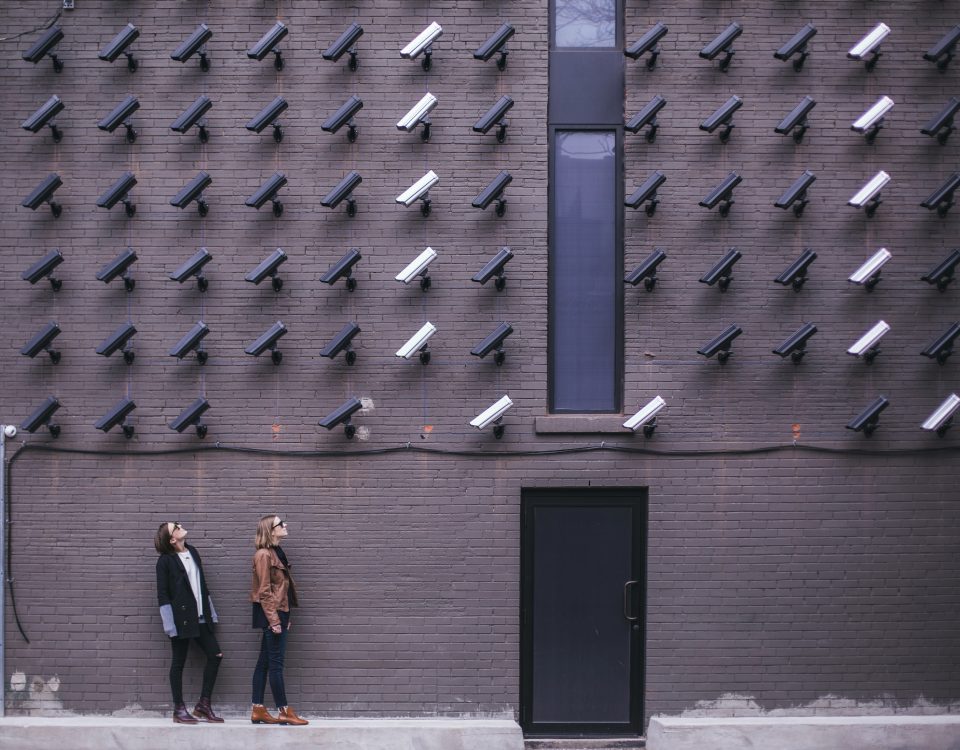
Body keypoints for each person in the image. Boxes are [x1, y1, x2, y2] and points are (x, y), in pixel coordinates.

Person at [154, 521, 224, 724]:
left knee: (216, 655)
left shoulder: (193, 552)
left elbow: (202, 585)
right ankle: (179, 709)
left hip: (201, 617)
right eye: (175, 526)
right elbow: (163, 595)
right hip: (180, 620)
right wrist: (169, 625)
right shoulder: (165, 562)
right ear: (172, 539)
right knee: (178, 662)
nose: (180, 525)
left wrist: (211, 613)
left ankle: (203, 705)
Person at [250, 514, 308, 725]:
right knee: (276, 664)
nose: (285, 525)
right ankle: (284, 710)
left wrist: (286, 615)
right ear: (270, 530)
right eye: (280, 524)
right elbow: (264, 591)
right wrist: (275, 620)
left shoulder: (276, 552)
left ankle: (257, 709)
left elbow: (282, 589)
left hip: (277, 612)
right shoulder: (264, 555)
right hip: (270, 614)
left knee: (264, 662)